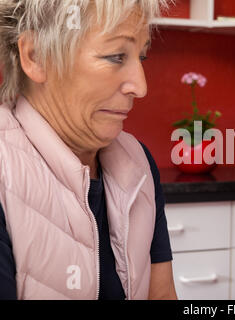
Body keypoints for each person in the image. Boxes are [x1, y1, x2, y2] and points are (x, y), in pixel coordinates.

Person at [0, 0, 177, 300]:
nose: (140, 86)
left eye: (141, 56)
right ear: (36, 56)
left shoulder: (137, 163)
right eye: (115, 56)